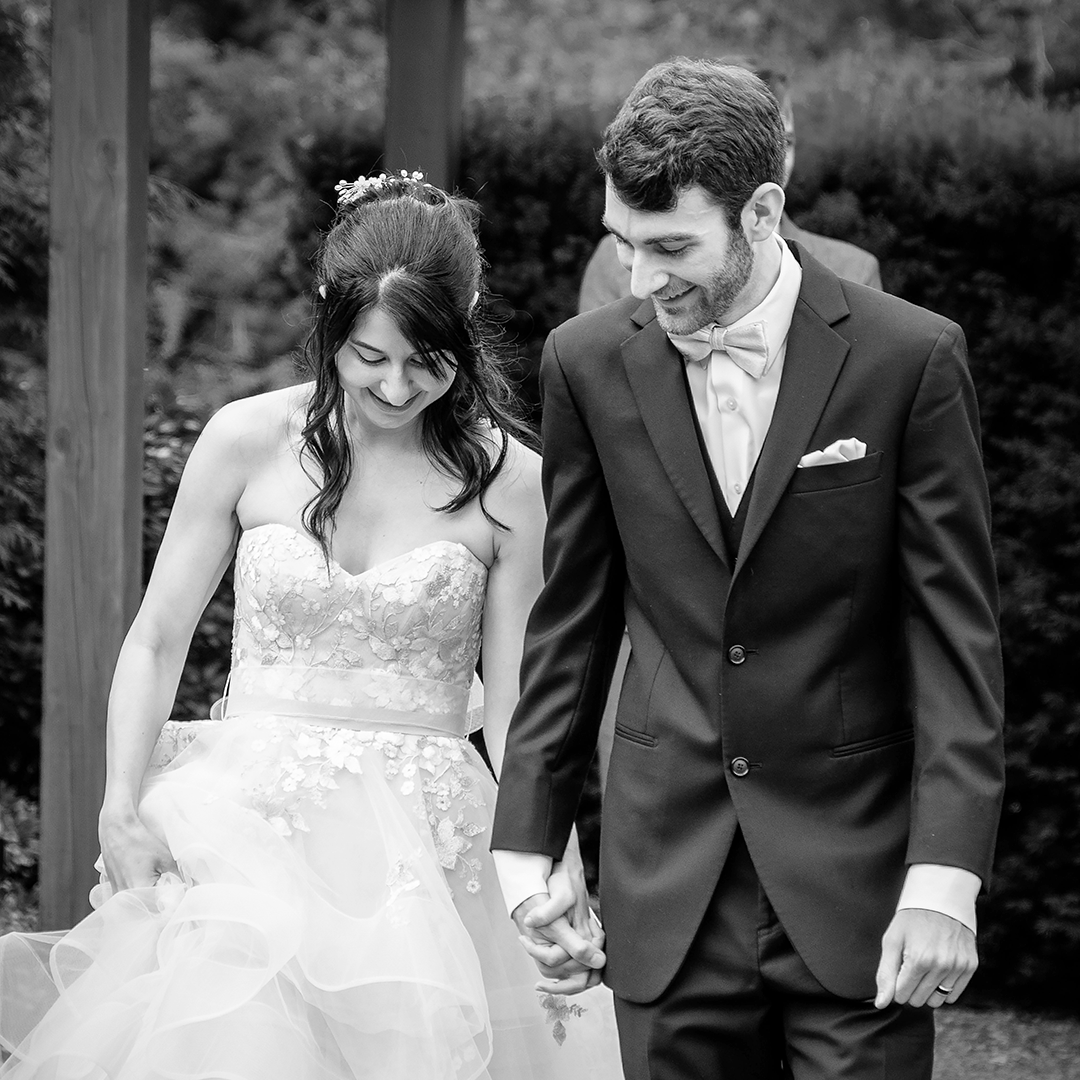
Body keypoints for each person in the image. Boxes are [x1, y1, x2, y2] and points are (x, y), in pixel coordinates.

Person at [0, 172, 622, 1080]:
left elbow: (524, 700)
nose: (398, 386)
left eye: (427, 360)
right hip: (245, 832)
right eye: (369, 356)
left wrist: (553, 865)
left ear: (471, 320)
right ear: (331, 322)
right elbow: (157, 637)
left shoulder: (513, 485)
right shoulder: (243, 441)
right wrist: (119, 806)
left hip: (425, 851)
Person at [491, 59, 1005, 1080]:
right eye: (624, 246)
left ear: (764, 210)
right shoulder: (586, 364)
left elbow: (953, 635)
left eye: (673, 246)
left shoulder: (911, 360)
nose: (643, 280)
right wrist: (530, 855)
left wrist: (945, 875)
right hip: (665, 884)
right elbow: (571, 626)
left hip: (858, 888)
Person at [577, 59, 882, 315]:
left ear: (762, 212)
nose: (641, 286)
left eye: (785, 142)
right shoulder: (609, 264)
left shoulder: (850, 271)